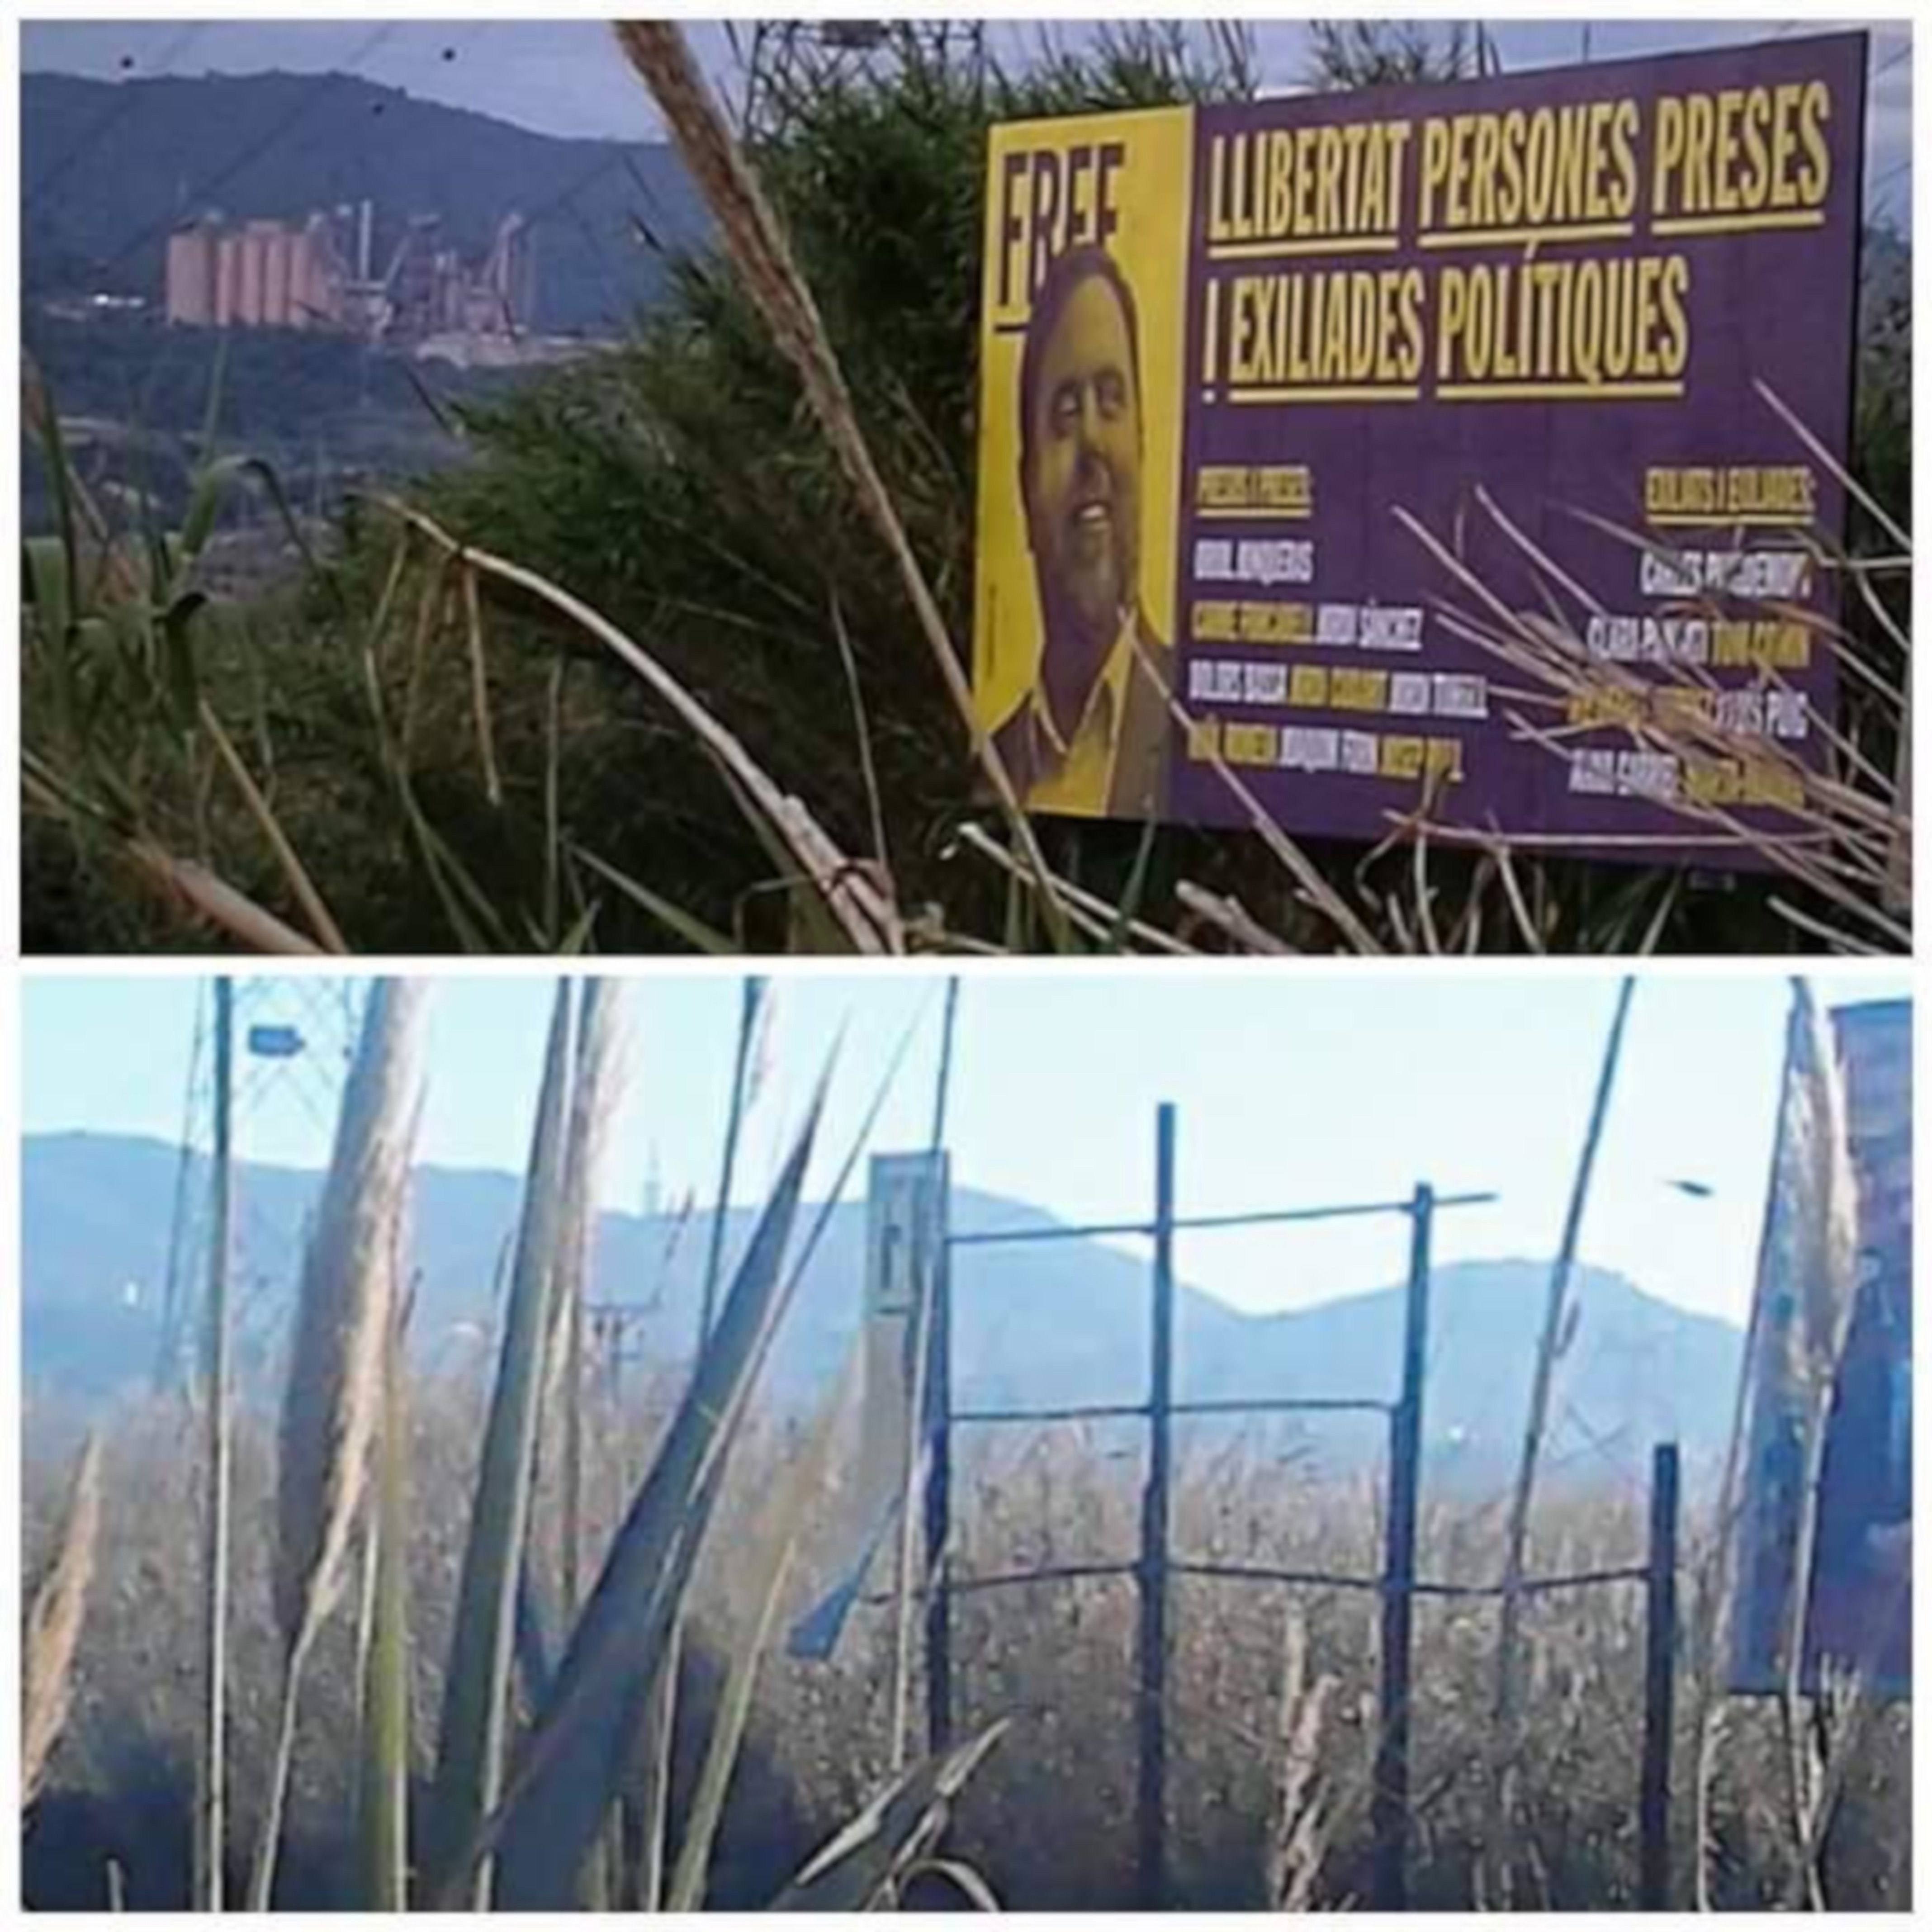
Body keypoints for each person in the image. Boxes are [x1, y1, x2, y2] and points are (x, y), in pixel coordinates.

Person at [991, 242, 1174, 819]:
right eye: (1066, 412)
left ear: (1143, 446)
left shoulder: (1200, 727)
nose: (1092, 439)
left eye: (1113, 399)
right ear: (1026, 488)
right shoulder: (995, 766)